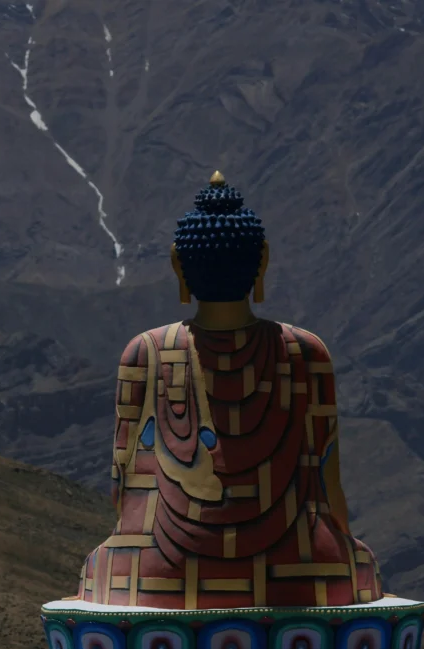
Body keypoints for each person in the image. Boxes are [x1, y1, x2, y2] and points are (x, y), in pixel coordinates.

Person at [76, 171, 383, 610]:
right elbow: (327, 484)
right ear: (262, 262)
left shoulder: (145, 353)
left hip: (162, 571)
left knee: (110, 572)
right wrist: (346, 545)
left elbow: (122, 488)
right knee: (350, 569)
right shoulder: (305, 352)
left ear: (178, 265)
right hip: (298, 568)